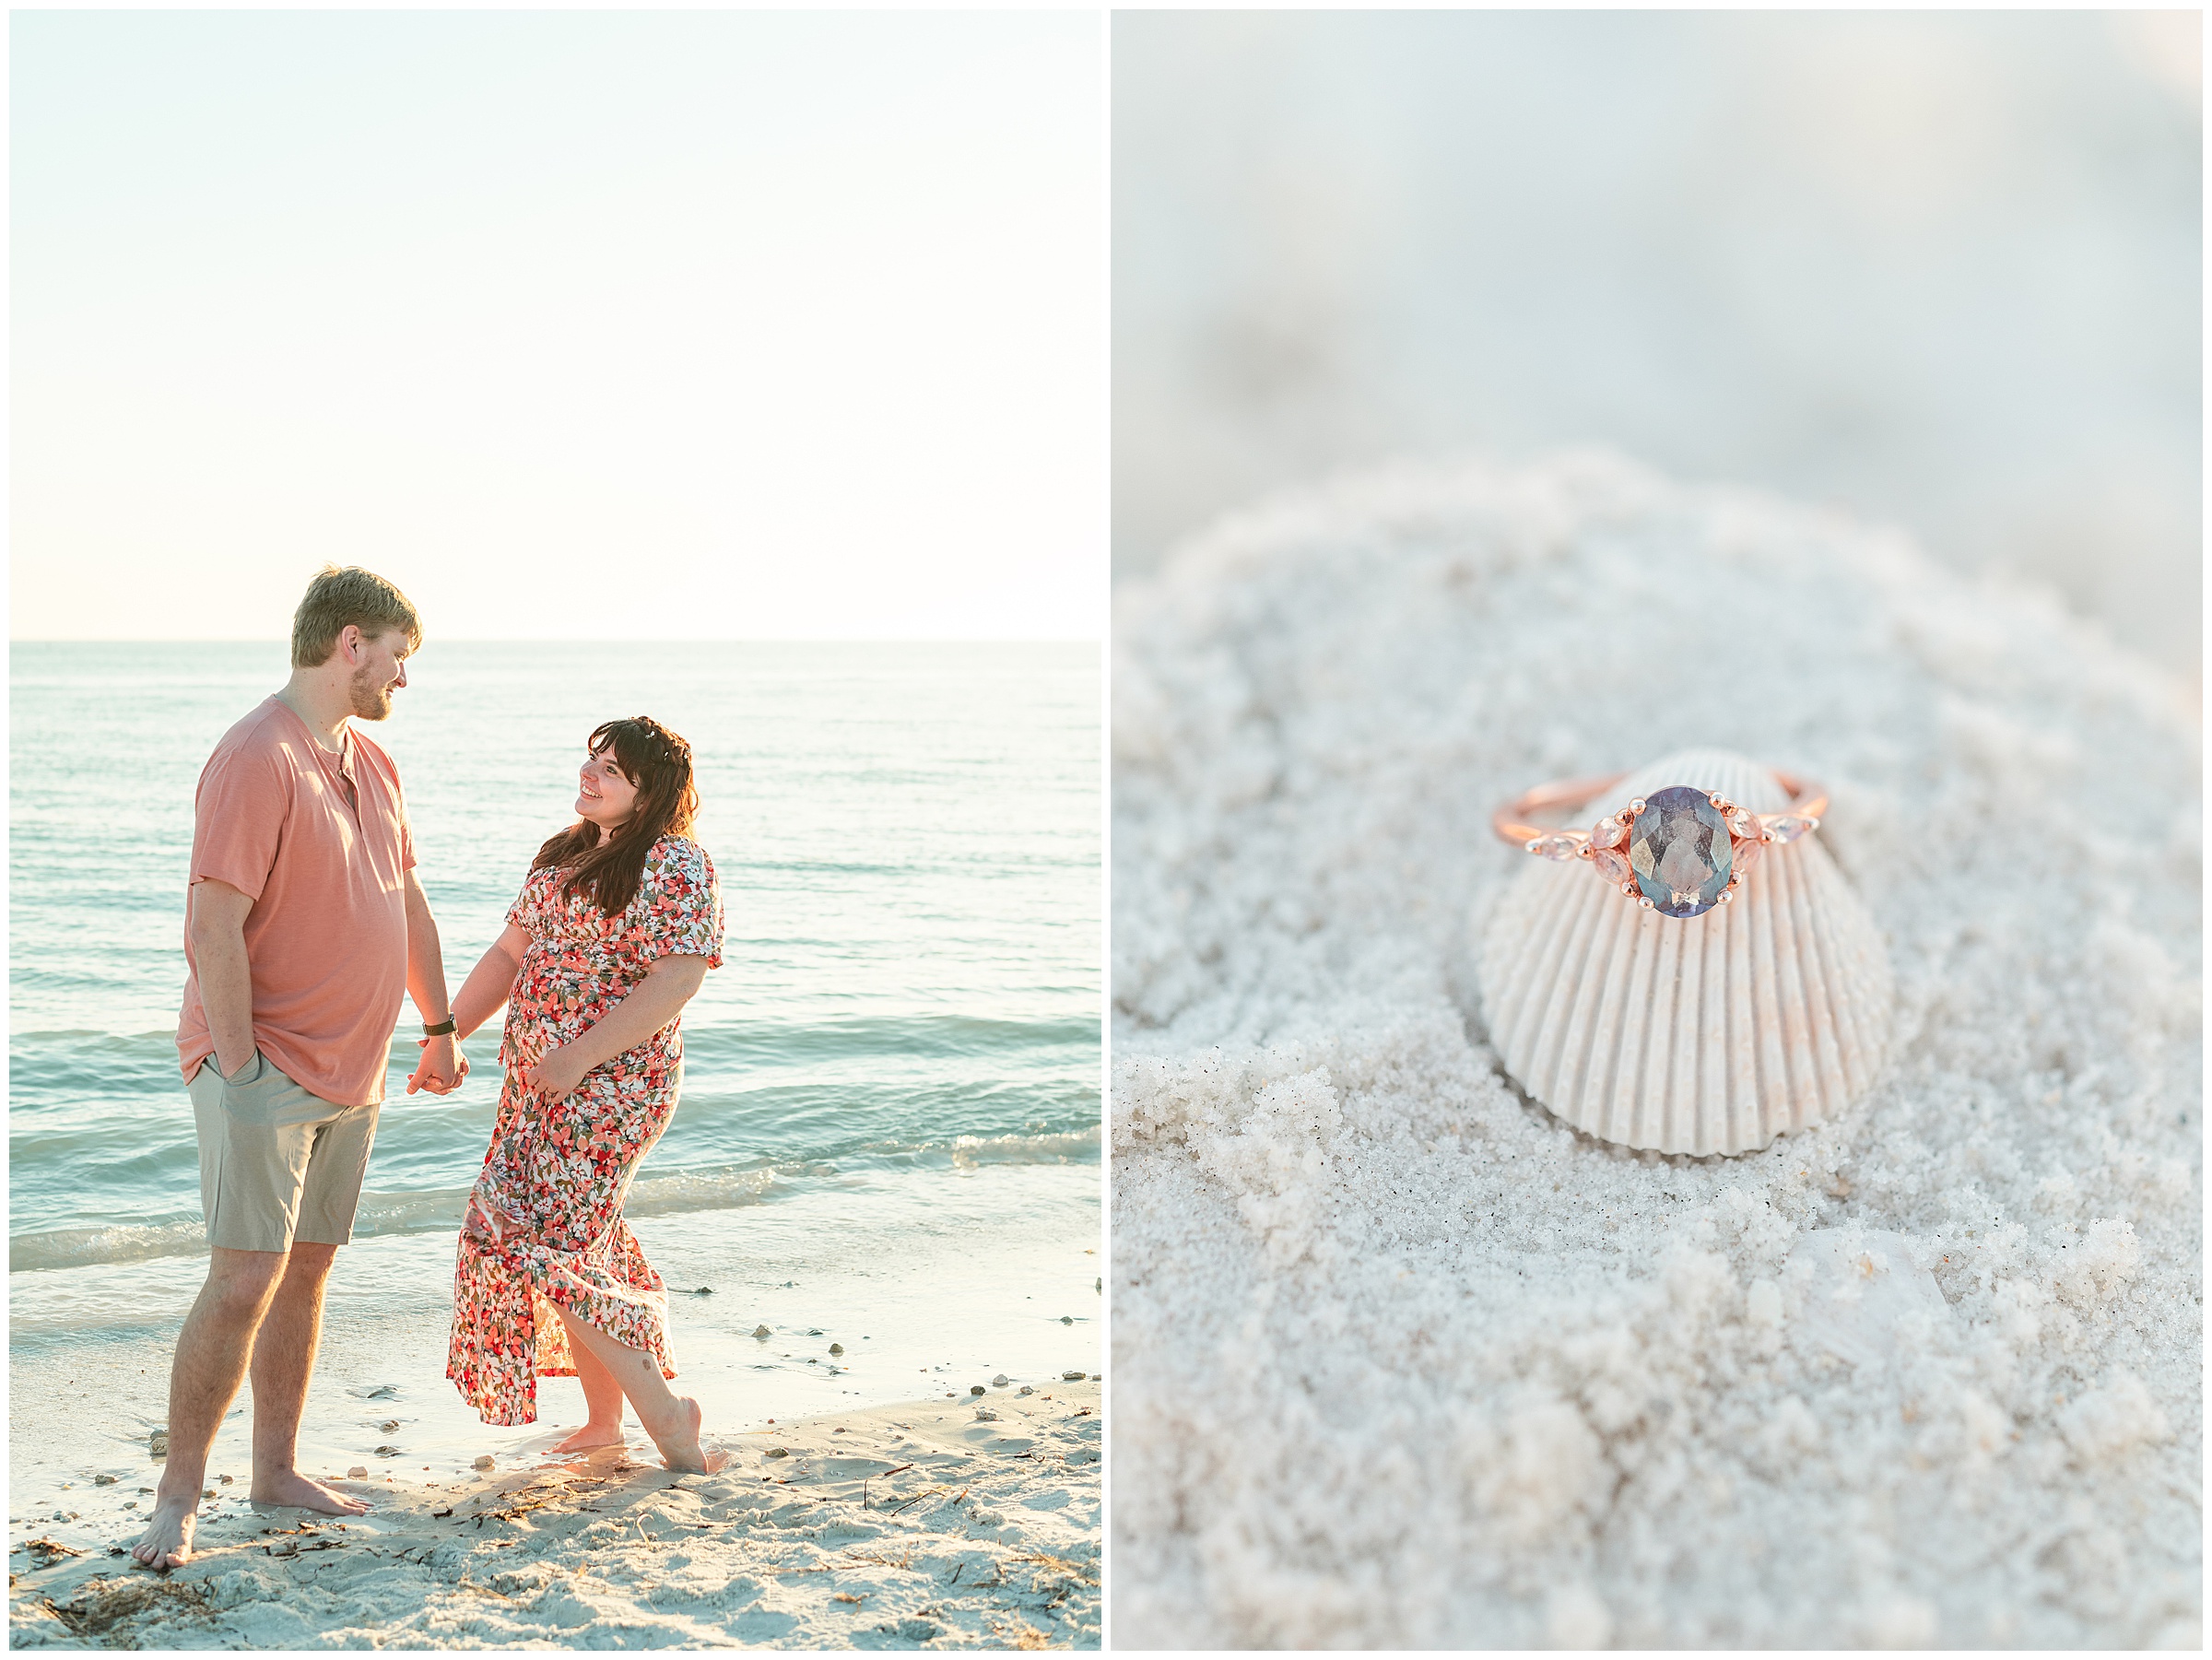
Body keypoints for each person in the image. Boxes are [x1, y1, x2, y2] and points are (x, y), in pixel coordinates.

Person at [135, 566, 465, 1572]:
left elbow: (403, 901)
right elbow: (212, 926)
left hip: (352, 1071)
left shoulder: (371, 759)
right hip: (263, 1068)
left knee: (307, 1271)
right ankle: (178, 1495)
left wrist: (440, 1023)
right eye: (399, 654)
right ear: (351, 644)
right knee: (243, 1280)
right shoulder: (255, 755)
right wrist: (237, 1068)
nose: (404, 677)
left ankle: (274, 1472)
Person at [443, 715, 724, 1472]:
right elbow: (510, 953)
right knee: (570, 1239)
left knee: (545, 1243)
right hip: (539, 1088)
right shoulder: (562, 855)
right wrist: (446, 1032)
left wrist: (577, 1056)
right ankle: (604, 1421)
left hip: (614, 1088)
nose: (589, 773)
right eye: (591, 758)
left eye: (612, 769)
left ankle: (668, 1417)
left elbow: (679, 978)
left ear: (651, 791)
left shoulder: (676, 864)